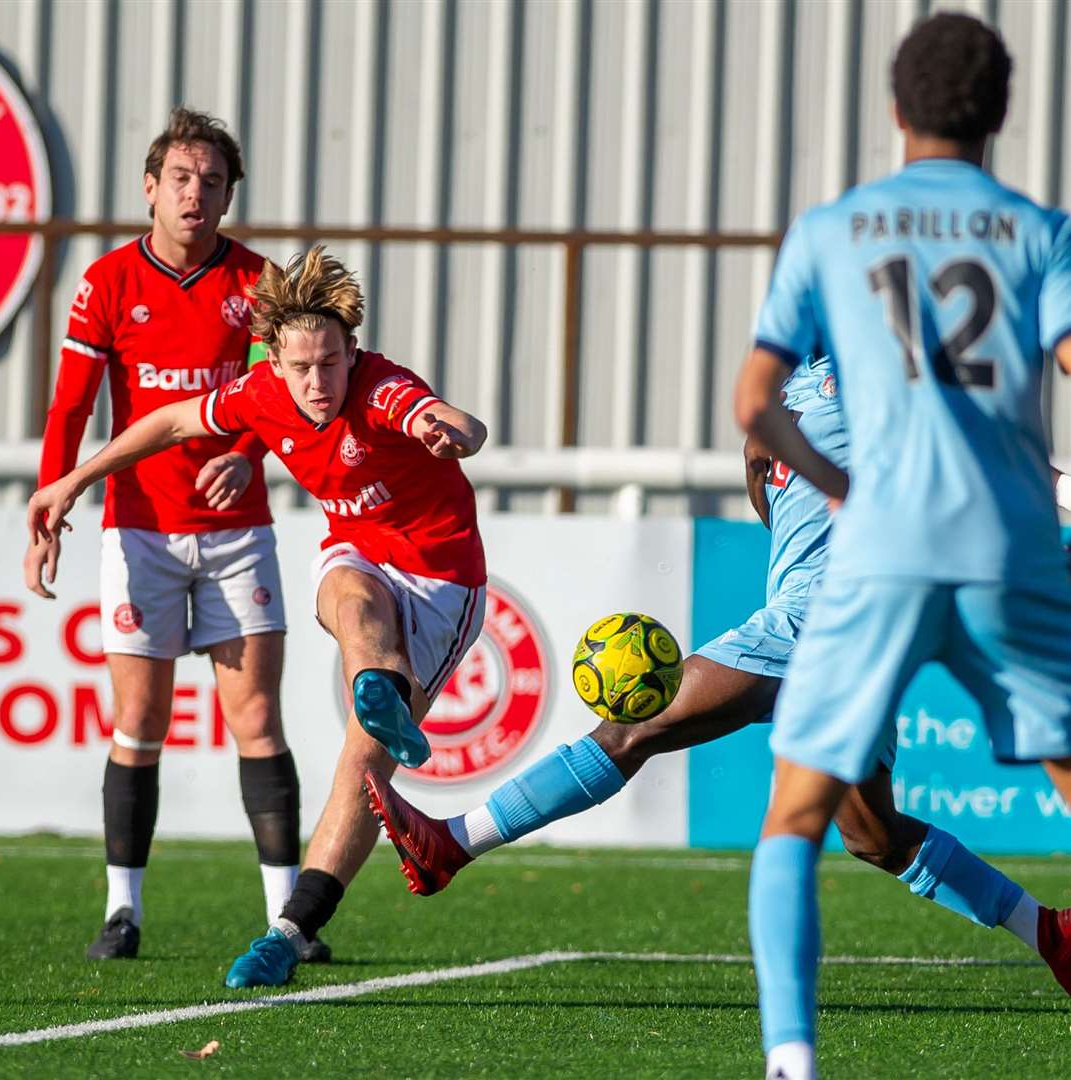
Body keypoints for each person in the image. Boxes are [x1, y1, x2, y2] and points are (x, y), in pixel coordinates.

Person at [364, 352, 1071, 988]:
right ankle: (1048, 933)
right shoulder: (796, 384)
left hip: (824, 622)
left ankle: (451, 844)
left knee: (633, 729)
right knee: (872, 836)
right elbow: (761, 470)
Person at [731, 15, 1071, 1079]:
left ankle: (791, 1062)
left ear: (894, 109)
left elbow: (753, 403)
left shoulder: (832, 228)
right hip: (1007, 544)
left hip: (878, 548)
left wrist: (840, 490)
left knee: (796, 812)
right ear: (1001, 116)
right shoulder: (1037, 230)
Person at [26, 245, 489, 989]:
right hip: (360, 557)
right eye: (301, 366)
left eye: (330, 364)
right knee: (345, 588)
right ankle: (381, 688)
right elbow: (172, 421)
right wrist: (71, 482)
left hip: (440, 585)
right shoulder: (264, 393)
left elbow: (448, 419)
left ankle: (291, 926)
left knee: (359, 772)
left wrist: (453, 430)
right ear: (273, 359)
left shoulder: (381, 389)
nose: (316, 383)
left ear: (352, 353)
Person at [24, 107, 319, 963]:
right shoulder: (109, 282)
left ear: (230, 197)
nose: (196, 195)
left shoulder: (260, 284)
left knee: (256, 717)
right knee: (138, 721)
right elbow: (70, 405)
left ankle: (286, 922)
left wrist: (250, 448)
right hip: (139, 533)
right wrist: (50, 508)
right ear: (150, 188)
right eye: (181, 179)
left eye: (213, 182)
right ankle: (123, 913)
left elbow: (297, 390)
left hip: (236, 534)